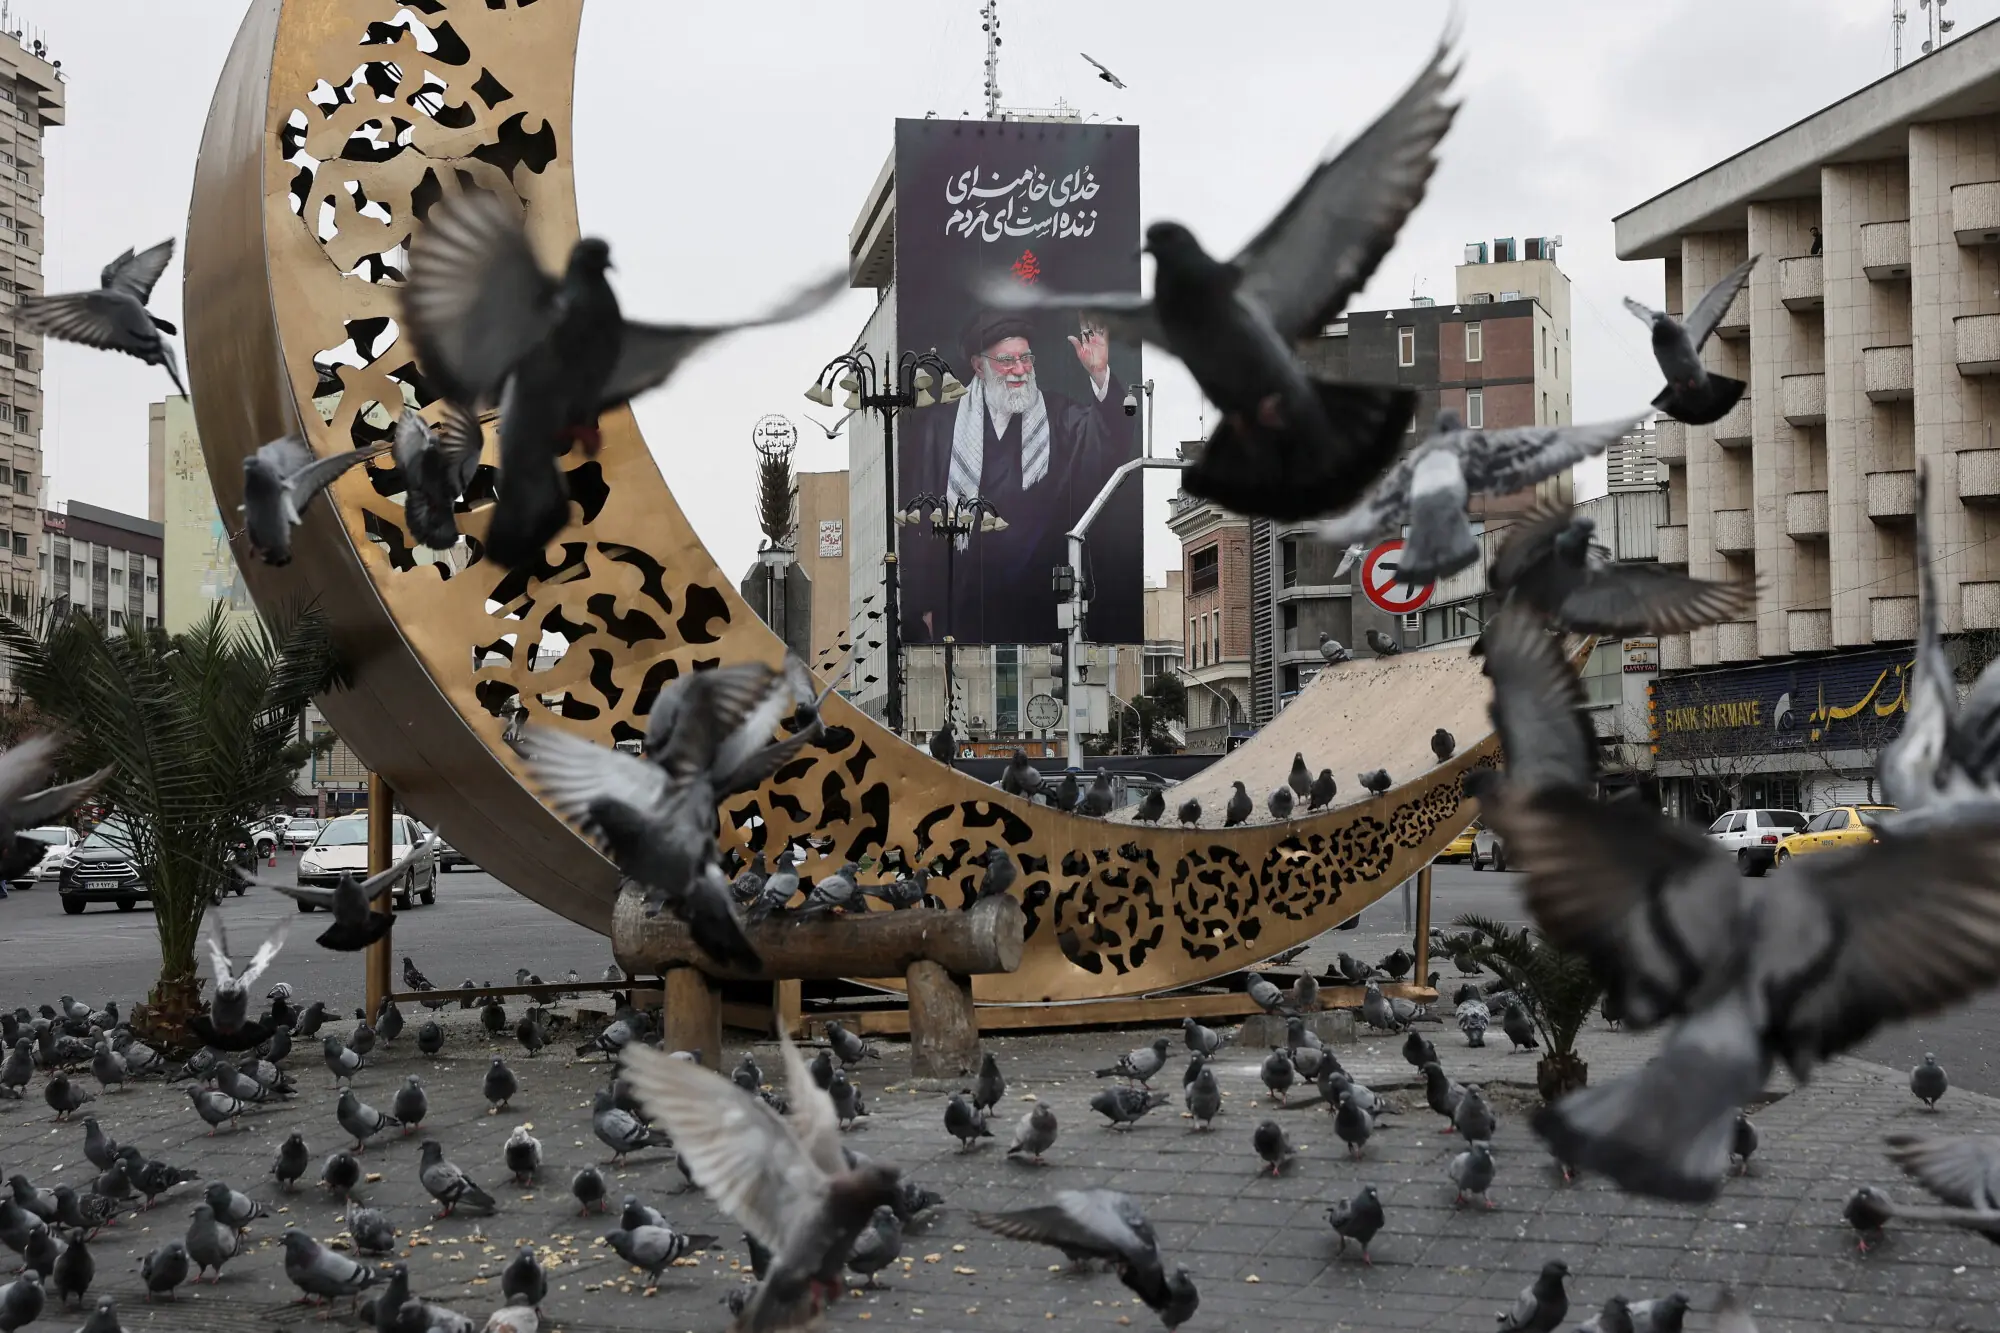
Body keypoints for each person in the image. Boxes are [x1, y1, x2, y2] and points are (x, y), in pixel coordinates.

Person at [898, 310, 1140, 646]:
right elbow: (920, 520)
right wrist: (923, 603)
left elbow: (1108, 439)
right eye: (1006, 360)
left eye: (1026, 358)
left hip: (1040, 600)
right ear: (978, 366)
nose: (1020, 369)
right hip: (965, 604)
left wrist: (1100, 376)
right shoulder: (941, 427)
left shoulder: (1059, 416)